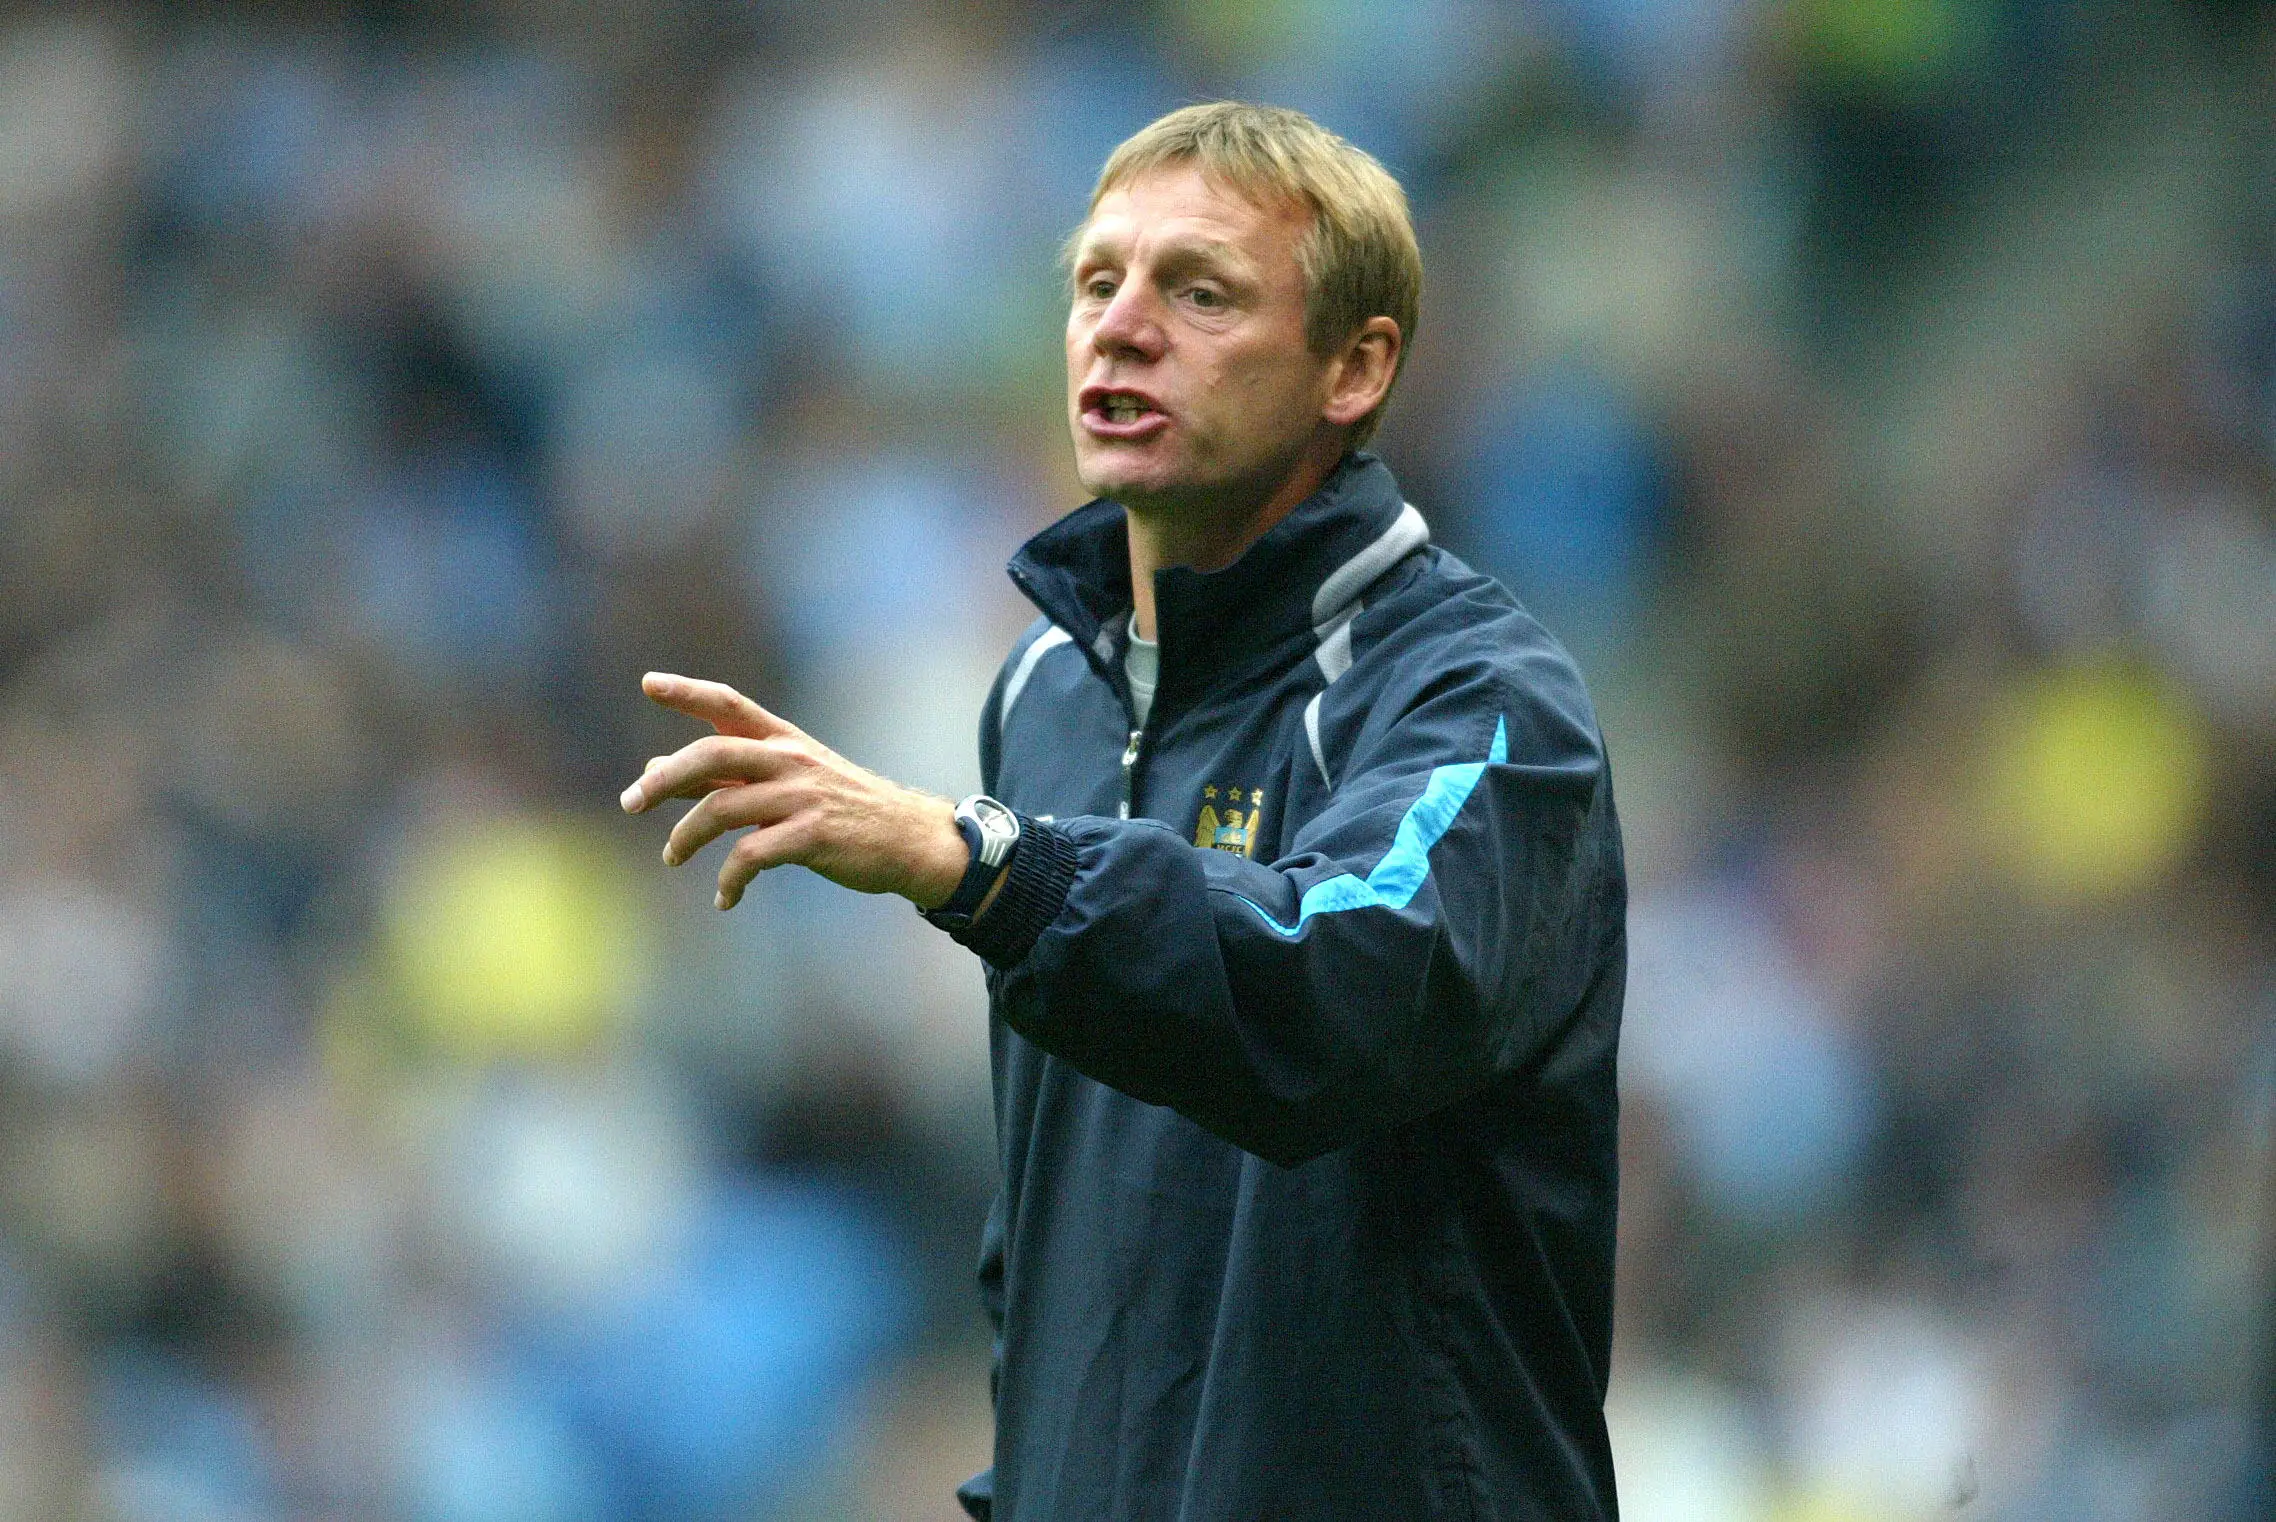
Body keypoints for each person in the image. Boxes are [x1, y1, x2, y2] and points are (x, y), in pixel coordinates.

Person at [621, 102, 1626, 1521]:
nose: (1122, 327)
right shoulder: (1045, 695)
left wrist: (986, 865)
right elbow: (1051, 1214)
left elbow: (1338, 981)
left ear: (1355, 367)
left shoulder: (1480, 700)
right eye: (1098, 281)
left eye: (1200, 292)